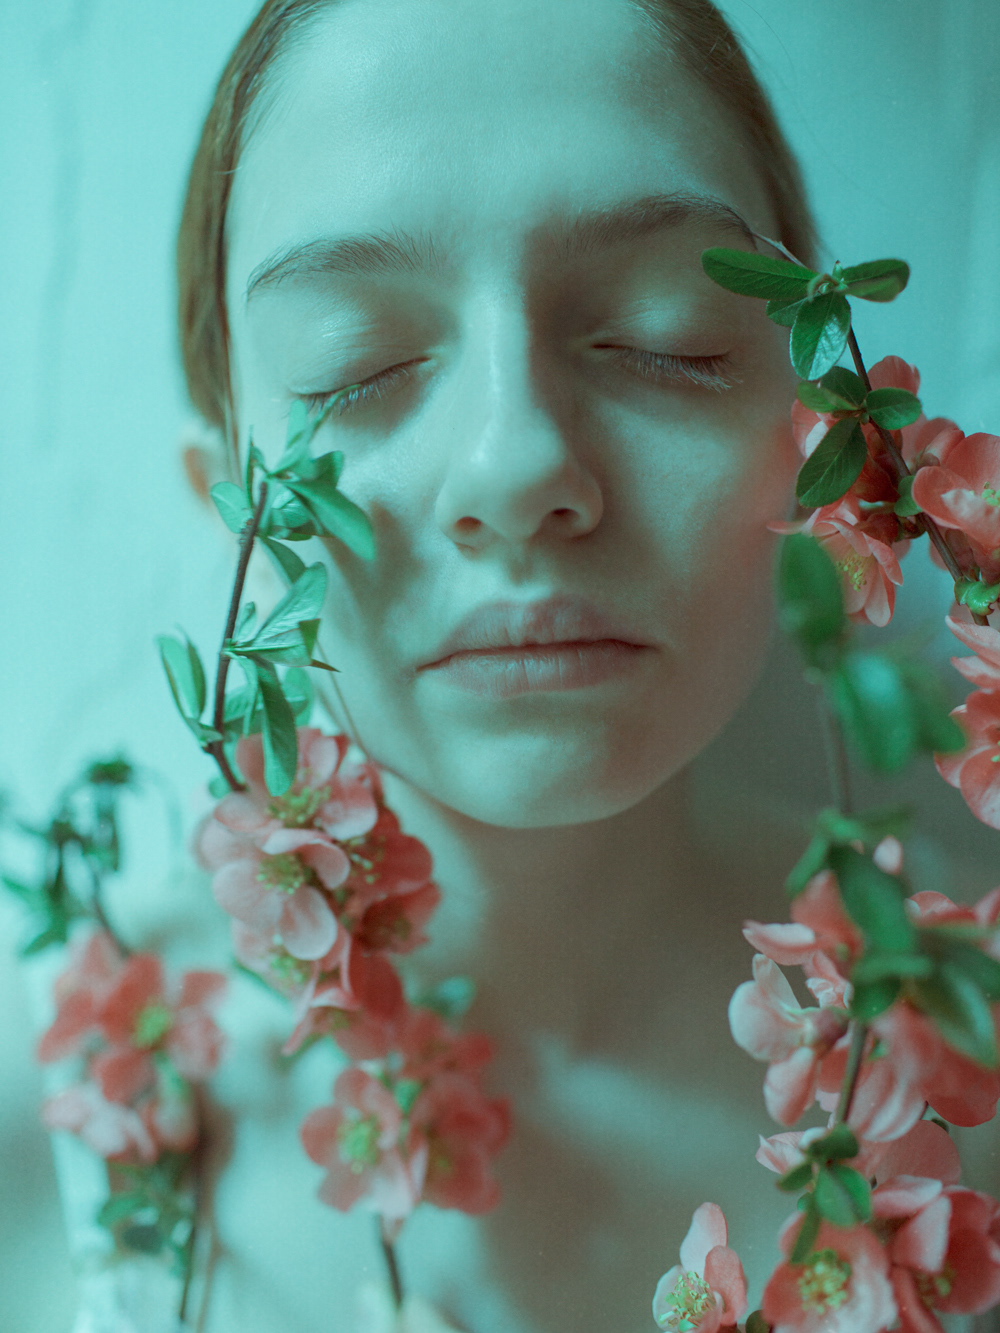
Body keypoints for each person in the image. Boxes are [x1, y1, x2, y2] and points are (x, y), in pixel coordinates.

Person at [174, 0, 818, 1329]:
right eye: (356, 367)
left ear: (815, 428)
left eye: (666, 333)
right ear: (219, 497)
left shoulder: (963, 1061)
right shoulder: (44, 1124)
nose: (518, 465)